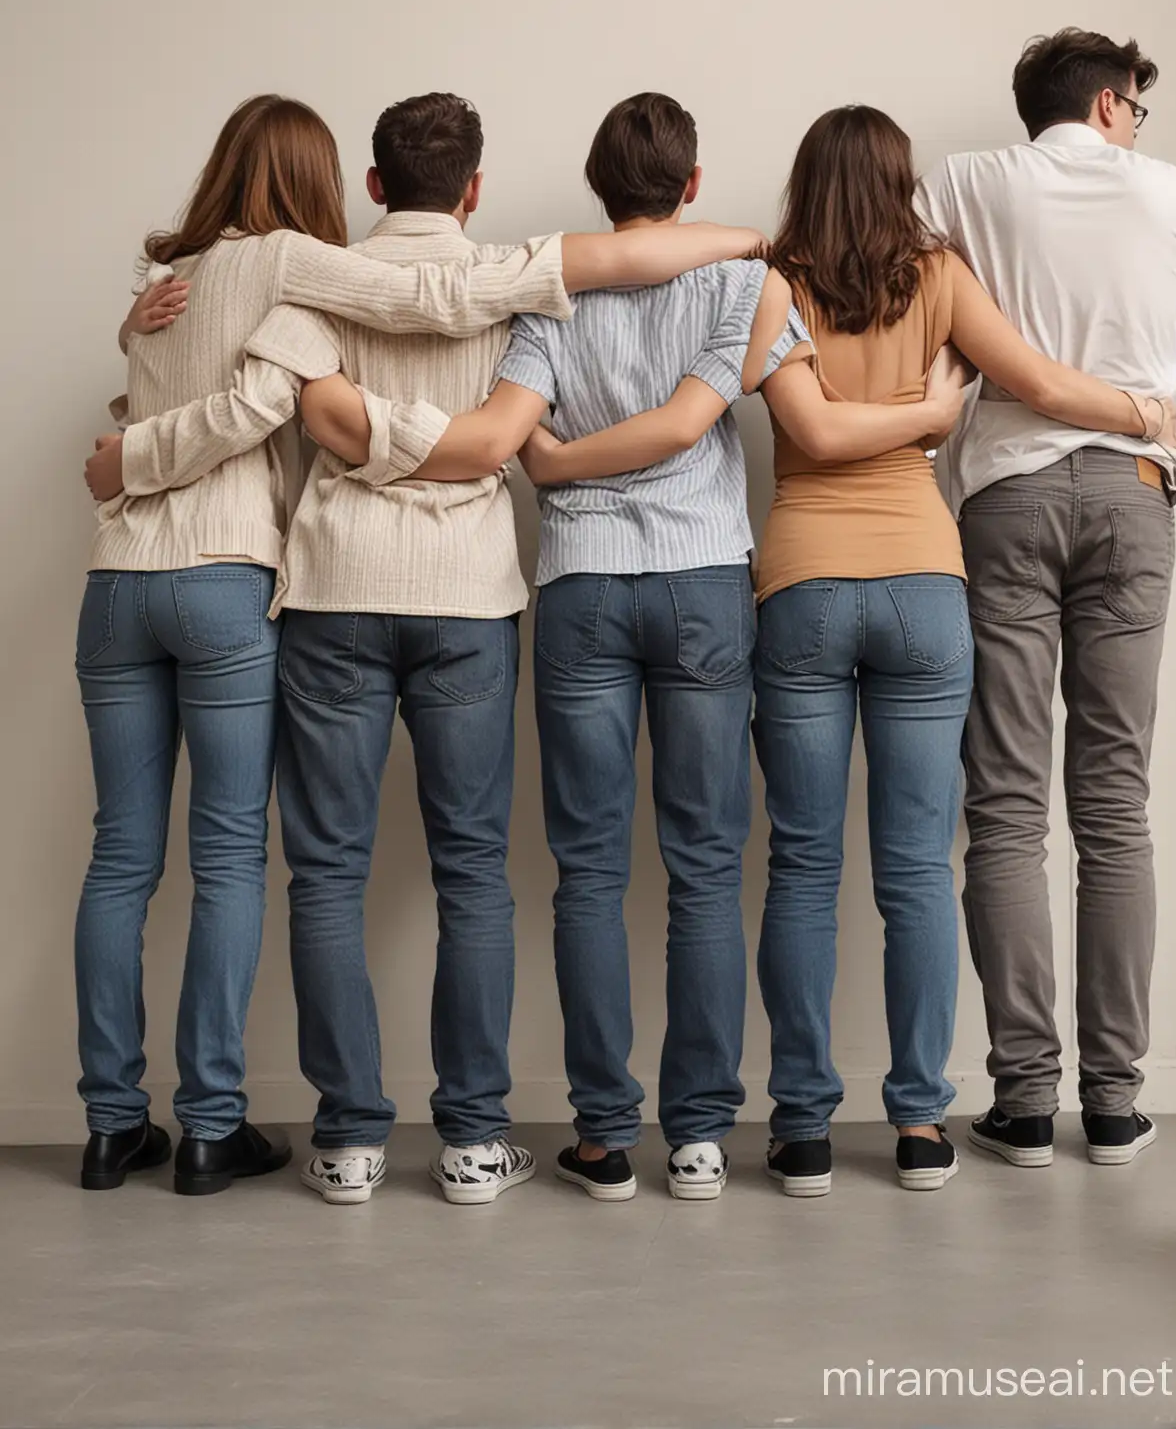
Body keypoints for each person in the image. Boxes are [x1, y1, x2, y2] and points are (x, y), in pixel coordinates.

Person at [78, 93, 757, 1199]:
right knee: (474, 873)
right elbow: (502, 436)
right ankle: (475, 1141)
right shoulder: (509, 285)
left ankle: (346, 1141)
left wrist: (375, 445)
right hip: (469, 599)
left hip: (334, 592)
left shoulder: (308, 290)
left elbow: (324, 422)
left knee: (326, 876)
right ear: (475, 188)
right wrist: (461, 451)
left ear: (376, 187)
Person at [304, 92, 972, 1203]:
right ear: (694, 186)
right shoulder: (743, 283)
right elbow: (697, 417)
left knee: (589, 872)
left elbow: (521, 441)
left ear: (599, 185)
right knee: (707, 867)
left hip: (579, 585)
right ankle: (702, 1137)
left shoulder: (552, 295)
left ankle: (607, 1137)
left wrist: (562, 469)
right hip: (706, 580)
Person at [747, 105, 1176, 1196]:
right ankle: (922, 1128)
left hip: (799, 581)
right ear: (902, 182)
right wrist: (1139, 410)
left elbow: (809, 433)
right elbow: (1032, 380)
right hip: (926, 590)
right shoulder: (936, 274)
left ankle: (801, 1131)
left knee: (801, 865)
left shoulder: (773, 282)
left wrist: (888, 413)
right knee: (915, 872)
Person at [915, 29, 1176, 1169]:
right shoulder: (1174, 194)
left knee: (1008, 802)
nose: (1140, 122)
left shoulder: (968, 182)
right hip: (1134, 489)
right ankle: (1119, 1103)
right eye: (1135, 104)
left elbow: (910, 283)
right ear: (1106, 101)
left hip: (1010, 492)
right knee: (1116, 800)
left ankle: (1027, 1102)